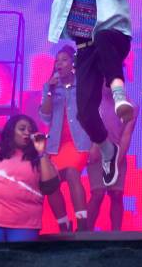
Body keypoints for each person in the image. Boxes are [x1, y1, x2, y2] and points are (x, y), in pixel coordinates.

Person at [5, 0, 135, 187]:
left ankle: (118, 97)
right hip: (86, 49)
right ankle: (107, 150)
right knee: (85, 112)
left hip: (115, 38)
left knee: (101, 33)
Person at [0, 115, 59, 242]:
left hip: (25, 226)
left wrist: (41, 152)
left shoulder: (40, 159)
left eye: (30, 130)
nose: (27, 132)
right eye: (22, 129)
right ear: (11, 131)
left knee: (19, 262)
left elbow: (50, 186)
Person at [39, 45, 91, 232]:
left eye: (64, 59)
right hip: (55, 146)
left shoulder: (84, 84)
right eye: (57, 60)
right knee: (50, 183)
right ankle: (64, 225)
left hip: (79, 144)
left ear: (73, 63)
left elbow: (93, 114)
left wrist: (96, 144)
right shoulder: (50, 87)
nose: (59, 63)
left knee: (71, 173)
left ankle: (82, 223)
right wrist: (51, 91)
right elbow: (45, 117)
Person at [87, 84, 137, 231]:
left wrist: (116, 161)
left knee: (116, 194)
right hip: (96, 150)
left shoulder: (130, 106)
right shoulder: (93, 101)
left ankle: (116, 234)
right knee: (98, 193)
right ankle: (85, 233)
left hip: (117, 152)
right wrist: (95, 147)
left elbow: (126, 136)